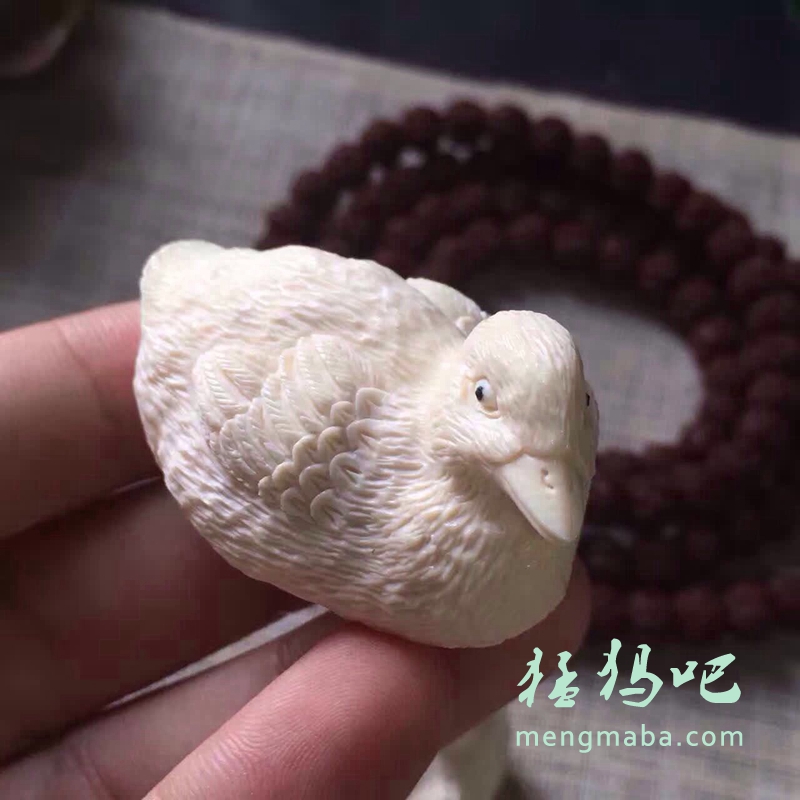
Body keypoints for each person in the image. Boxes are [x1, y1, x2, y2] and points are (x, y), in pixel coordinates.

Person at [0, 301, 589, 799]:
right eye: (485, 399)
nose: (551, 482)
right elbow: (220, 383)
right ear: (467, 389)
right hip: (216, 354)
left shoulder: (519, 482)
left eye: (579, 408)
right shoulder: (330, 447)